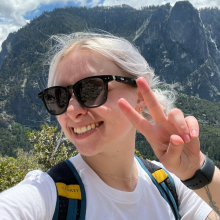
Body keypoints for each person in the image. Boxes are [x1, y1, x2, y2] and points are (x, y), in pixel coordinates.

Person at [0, 32, 220, 220]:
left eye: (91, 89)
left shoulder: (170, 183)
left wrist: (195, 169)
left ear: (141, 96)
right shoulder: (50, 196)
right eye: (58, 96)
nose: (71, 110)